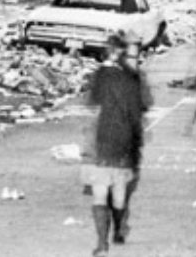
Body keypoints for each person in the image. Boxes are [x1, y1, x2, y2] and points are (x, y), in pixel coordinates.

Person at [83, 32, 151, 256]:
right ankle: (117, 228)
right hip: (123, 143)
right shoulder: (132, 79)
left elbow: (92, 102)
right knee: (119, 195)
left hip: (102, 141)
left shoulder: (101, 75)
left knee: (101, 194)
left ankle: (102, 243)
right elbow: (141, 108)